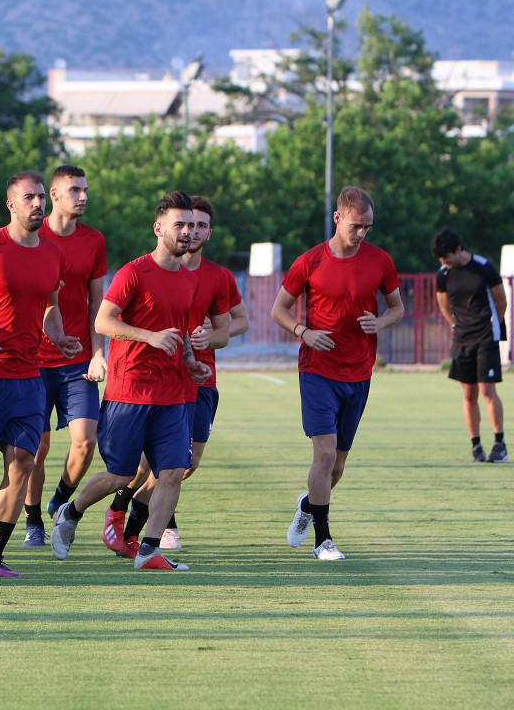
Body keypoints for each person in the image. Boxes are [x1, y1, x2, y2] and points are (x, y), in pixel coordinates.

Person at [51, 191, 225, 571]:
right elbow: (103, 321)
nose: (186, 233)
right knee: (121, 474)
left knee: (174, 472)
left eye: (190, 226)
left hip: (175, 394)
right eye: (178, 225)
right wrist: (149, 336)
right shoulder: (134, 272)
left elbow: (177, 334)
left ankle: (148, 551)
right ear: (158, 228)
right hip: (130, 391)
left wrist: (192, 362)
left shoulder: (189, 280)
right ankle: (72, 510)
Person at [103, 195, 248, 552]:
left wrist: (210, 337)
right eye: (186, 225)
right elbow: (109, 318)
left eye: (199, 226)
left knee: (184, 465)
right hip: (153, 384)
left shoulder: (216, 276)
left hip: (201, 380)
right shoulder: (146, 271)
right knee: (151, 465)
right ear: (168, 228)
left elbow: (237, 323)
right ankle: (129, 526)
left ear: (209, 232)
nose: (191, 232)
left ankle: (136, 529)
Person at [0, 171, 80, 577]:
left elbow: (50, 304)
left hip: (30, 375)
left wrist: (59, 339)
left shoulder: (52, 252)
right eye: (29, 197)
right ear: (10, 203)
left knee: (23, 464)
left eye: (41, 197)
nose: (38, 204)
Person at [272, 186, 403, 561]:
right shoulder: (310, 261)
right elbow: (280, 309)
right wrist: (303, 331)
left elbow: (396, 308)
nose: (362, 234)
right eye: (357, 225)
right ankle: (323, 541)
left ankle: (308, 503)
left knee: (338, 464)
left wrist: (380, 322)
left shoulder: (380, 260)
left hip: (359, 372)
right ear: (338, 218)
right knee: (325, 454)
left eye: (368, 227)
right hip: (318, 370)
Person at [23, 165, 107, 547]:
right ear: (52, 195)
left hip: (78, 361)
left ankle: (60, 500)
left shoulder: (94, 241)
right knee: (35, 449)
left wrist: (98, 353)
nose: (83, 196)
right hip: (34, 361)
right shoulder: (30, 238)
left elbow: (97, 305)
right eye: (74, 189)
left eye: (85, 189)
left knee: (85, 441)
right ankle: (33, 520)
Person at [432, 228, 507, 463]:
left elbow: (500, 300)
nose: (444, 262)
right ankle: (476, 447)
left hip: (486, 336)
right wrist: (456, 325)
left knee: (487, 389)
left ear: (459, 250)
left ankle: (499, 444)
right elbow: (443, 305)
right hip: (462, 339)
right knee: (469, 393)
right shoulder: (443, 274)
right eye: (441, 260)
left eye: (447, 257)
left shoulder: (484, 267)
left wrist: (494, 324)